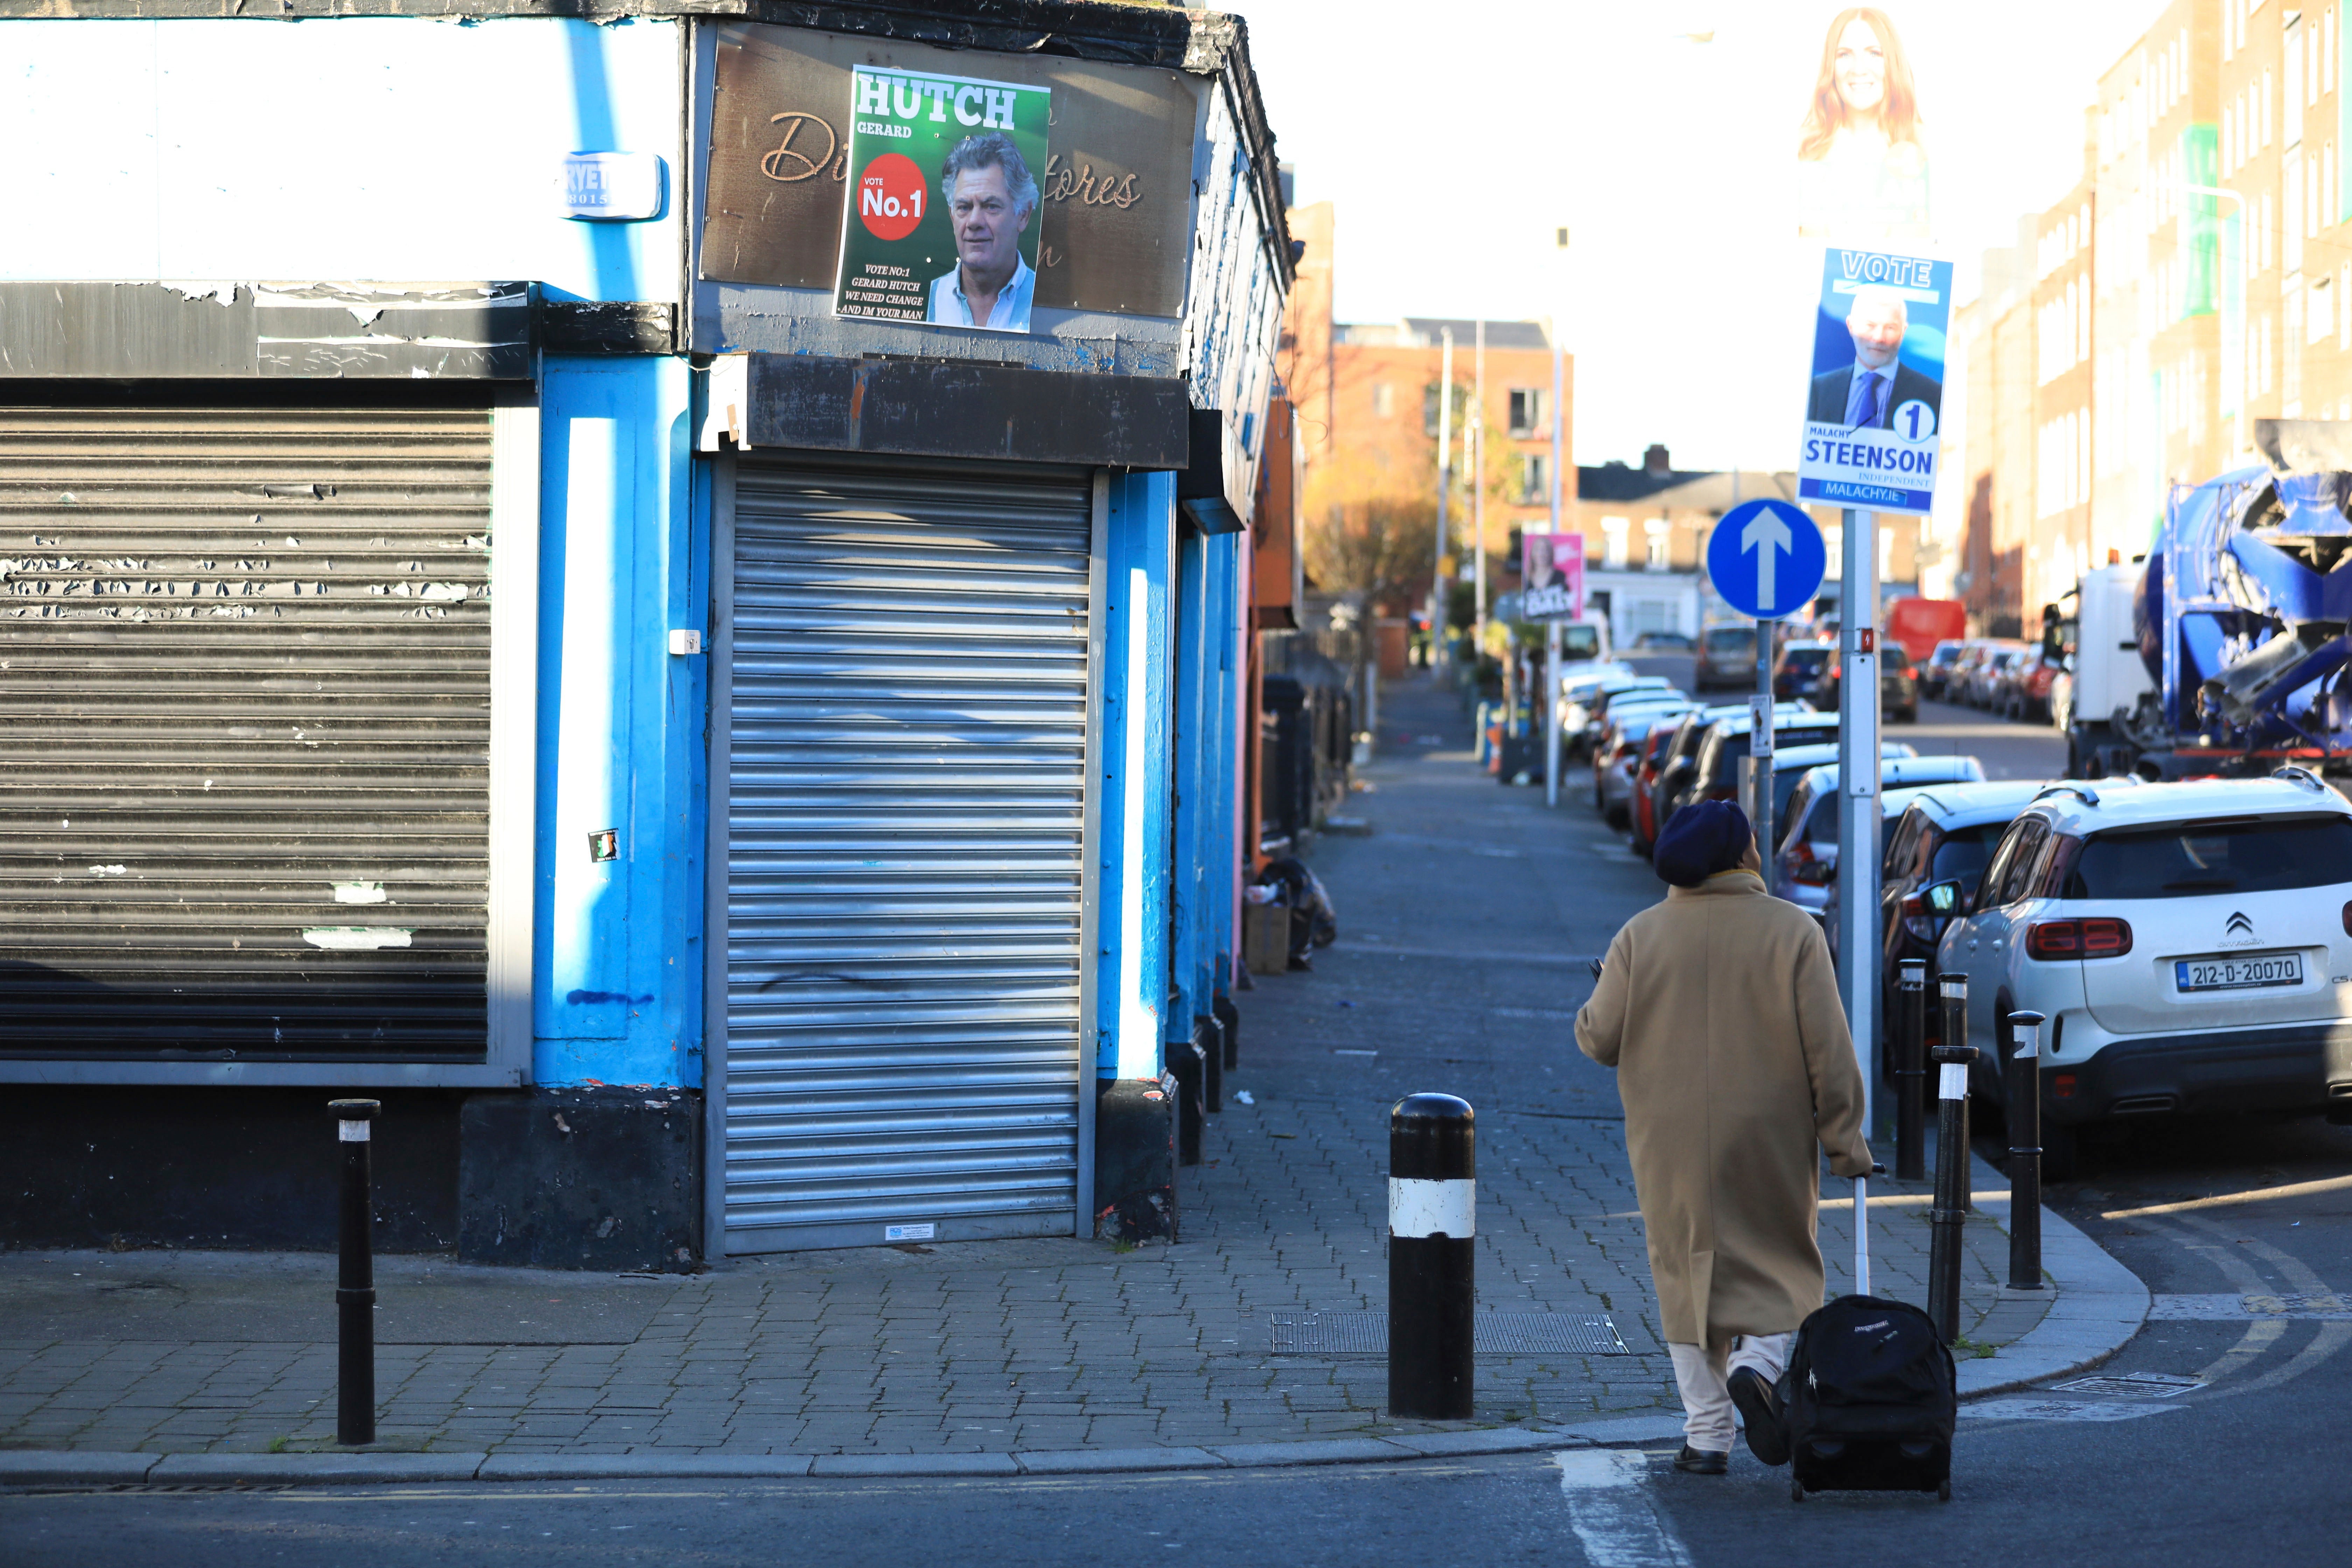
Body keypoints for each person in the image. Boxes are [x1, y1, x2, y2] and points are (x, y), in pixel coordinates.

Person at [1574, 799, 1871, 1475]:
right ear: (1744, 857)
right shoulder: (1794, 932)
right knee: (1778, 1254)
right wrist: (1845, 1141)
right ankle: (1759, 1365)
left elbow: (1599, 1039)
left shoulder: (1638, 937)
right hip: (1769, 1127)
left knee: (1684, 1269)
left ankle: (1707, 1435)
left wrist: (1603, 996)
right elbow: (1830, 1049)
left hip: (1668, 1135)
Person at [1796, 6, 1929, 241]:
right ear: (1831, 65)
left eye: (1874, 54)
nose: (1858, 69)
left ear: (1892, 63)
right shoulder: (1802, 148)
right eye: (1845, 55)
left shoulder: (1926, 147)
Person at [927, 132, 1038, 332]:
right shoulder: (929, 296)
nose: (974, 222)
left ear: (1023, 215)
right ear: (952, 216)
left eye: (991, 206)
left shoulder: (1045, 299)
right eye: (964, 207)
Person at [1806, 284, 1941, 432]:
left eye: (1890, 328)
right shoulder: (1819, 390)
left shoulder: (1933, 395)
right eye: (1870, 326)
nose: (1879, 338)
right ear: (1851, 326)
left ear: (1903, 332)